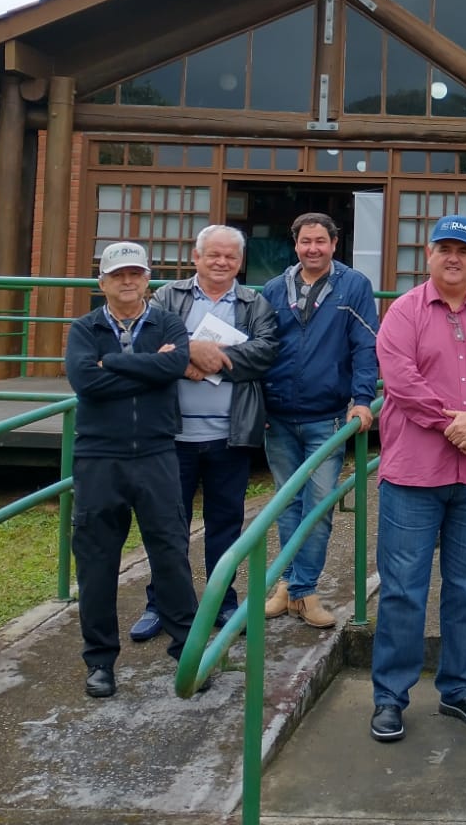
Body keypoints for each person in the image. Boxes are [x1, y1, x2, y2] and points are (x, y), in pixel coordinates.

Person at [369, 214, 466, 744]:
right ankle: (390, 697)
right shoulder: (403, 314)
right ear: (429, 255)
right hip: (414, 474)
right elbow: (401, 380)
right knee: (403, 592)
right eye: (444, 248)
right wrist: (453, 421)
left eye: (463, 249)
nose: (453, 257)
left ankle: (460, 689)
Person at [129, 225, 279, 643]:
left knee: (226, 524)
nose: (221, 262)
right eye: (213, 254)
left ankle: (222, 601)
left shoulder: (254, 303)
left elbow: (265, 352)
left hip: (229, 435)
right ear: (195, 257)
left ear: (239, 262)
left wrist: (208, 357)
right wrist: (187, 354)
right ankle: (161, 602)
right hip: (171, 436)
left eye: (230, 256)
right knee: (165, 525)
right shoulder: (168, 297)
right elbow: (146, 344)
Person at [64, 241, 197, 700]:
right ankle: (100, 661)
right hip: (99, 458)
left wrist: (116, 363)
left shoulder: (168, 323)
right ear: (102, 283)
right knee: (97, 562)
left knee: (171, 552)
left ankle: (188, 647)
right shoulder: (84, 328)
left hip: (157, 453)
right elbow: (86, 381)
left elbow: (175, 365)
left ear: (147, 280)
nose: (127, 281)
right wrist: (149, 367)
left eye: (135, 273)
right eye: (118, 275)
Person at [260, 212, 379, 628]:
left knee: (320, 505)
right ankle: (288, 588)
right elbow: (261, 347)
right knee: (286, 505)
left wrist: (363, 398)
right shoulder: (275, 289)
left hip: (326, 416)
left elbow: (366, 345)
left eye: (321, 242)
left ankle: (303, 590)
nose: (313, 248)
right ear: (295, 244)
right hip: (277, 416)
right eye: (305, 241)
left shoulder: (354, 286)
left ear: (334, 243)